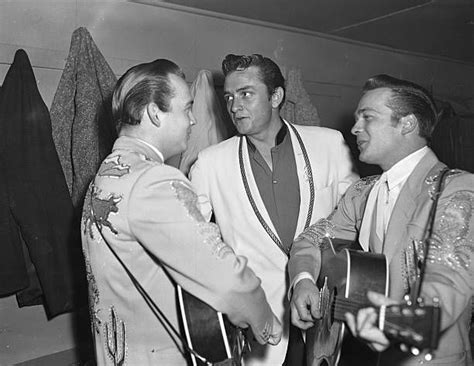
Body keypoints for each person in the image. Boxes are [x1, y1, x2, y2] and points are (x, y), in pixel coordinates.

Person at [80, 59, 282, 366]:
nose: (193, 121)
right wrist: (264, 318)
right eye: (186, 109)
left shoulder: (105, 176)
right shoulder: (153, 181)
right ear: (153, 113)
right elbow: (226, 278)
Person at [289, 74, 474, 365]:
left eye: (368, 117)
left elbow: (449, 281)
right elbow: (310, 240)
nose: (354, 127)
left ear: (407, 123)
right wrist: (303, 280)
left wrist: (403, 323)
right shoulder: (362, 192)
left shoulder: (454, 189)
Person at [190, 54, 358, 365]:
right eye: (228, 97)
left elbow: (356, 222)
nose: (234, 106)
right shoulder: (209, 163)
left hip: (325, 315)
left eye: (246, 94)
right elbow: (193, 245)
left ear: (277, 96)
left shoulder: (329, 145)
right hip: (258, 327)